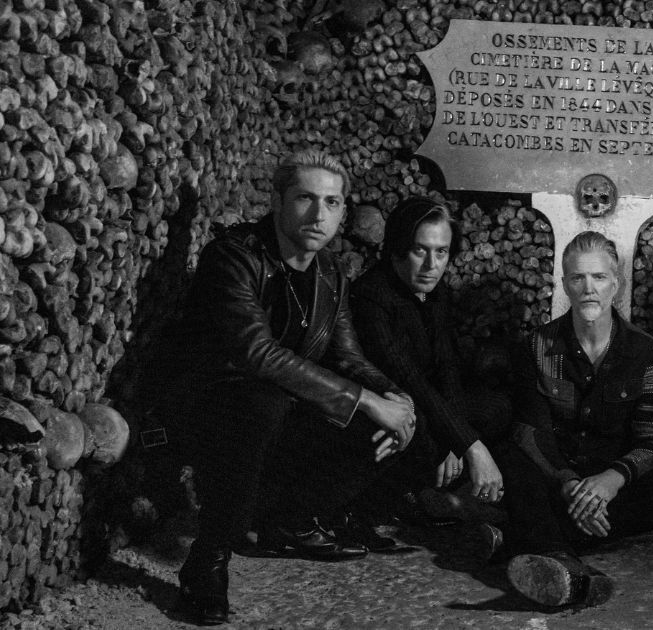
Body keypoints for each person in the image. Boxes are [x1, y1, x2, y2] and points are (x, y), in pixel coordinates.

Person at [156, 150, 419, 625]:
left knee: (377, 427)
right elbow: (256, 353)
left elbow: (347, 356)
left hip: (283, 408)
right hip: (210, 406)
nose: (319, 214)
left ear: (343, 211)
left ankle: (287, 521)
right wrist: (366, 400)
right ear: (277, 202)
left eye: (332, 202)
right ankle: (208, 561)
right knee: (264, 403)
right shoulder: (233, 256)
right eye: (305, 198)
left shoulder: (330, 272)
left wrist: (397, 400)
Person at [500, 231, 653, 608]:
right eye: (578, 278)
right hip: (556, 476)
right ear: (565, 284)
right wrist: (569, 484)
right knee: (512, 458)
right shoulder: (538, 345)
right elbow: (531, 431)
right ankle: (568, 567)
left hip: (612, 484)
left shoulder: (648, 353)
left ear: (615, 284)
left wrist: (611, 480)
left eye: (599, 277)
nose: (589, 288)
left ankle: (513, 536)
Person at [350, 197, 508, 523]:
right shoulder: (371, 296)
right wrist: (470, 445)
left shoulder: (434, 290)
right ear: (397, 248)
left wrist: (457, 441)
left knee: (497, 408)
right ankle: (389, 505)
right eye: (419, 250)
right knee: (417, 432)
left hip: (426, 404)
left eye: (441, 252)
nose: (431, 265)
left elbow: (446, 365)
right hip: (389, 407)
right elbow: (409, 379)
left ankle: (433, 496)